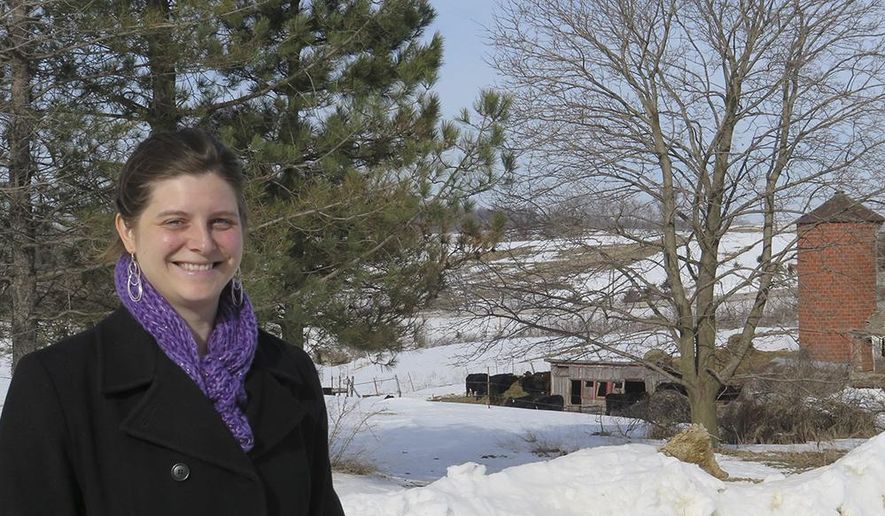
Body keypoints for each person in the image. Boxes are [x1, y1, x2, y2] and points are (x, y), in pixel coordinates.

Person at [0, 128, 344, 516]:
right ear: (128, 232)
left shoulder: (290, 373)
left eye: (221, 221)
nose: (203, 243)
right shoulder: (58, 386)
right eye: (175, 221)